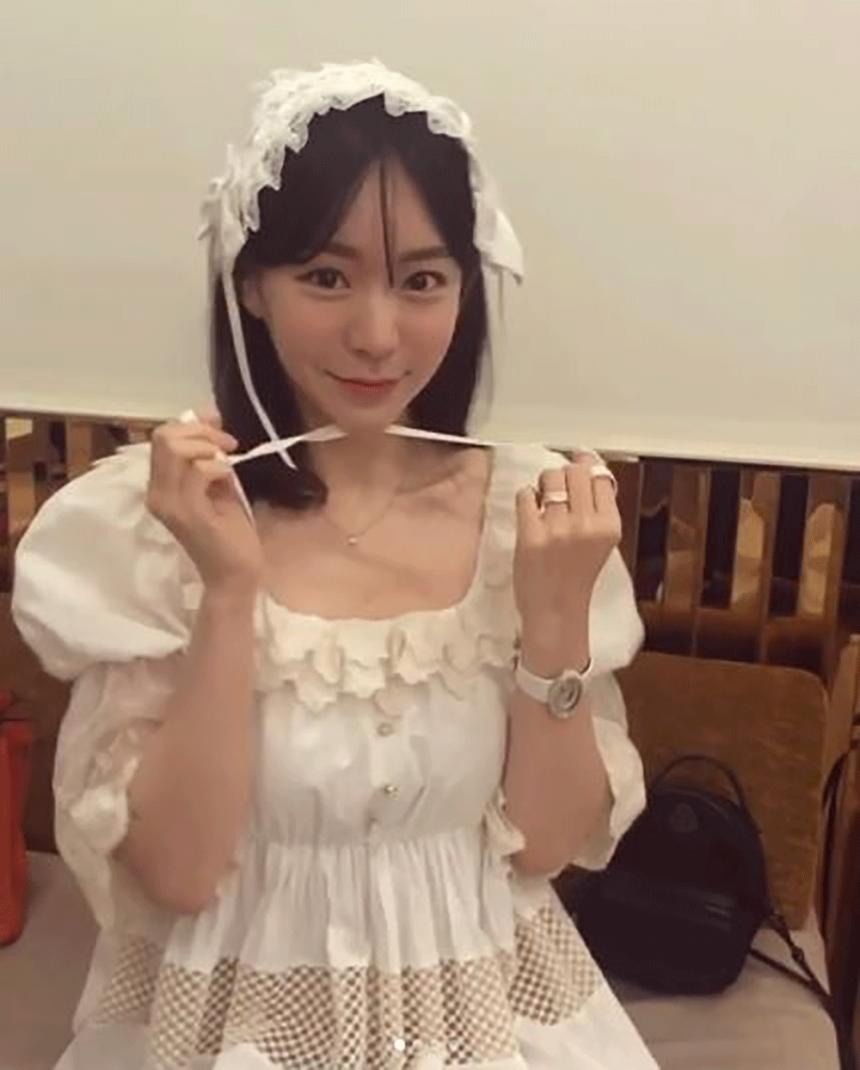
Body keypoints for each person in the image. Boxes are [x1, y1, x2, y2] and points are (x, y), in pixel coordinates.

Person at [12, 61, 658, 1069]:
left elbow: (540, 847)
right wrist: (228, 592)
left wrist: (555, 622)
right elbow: (180, 874)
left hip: (481, 1020)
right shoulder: (155, 526)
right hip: (232, 1027)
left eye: (421, 280)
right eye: (325, 276)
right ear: (250, 285)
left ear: (465, 289)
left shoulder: (526, 516)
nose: (376, 334)